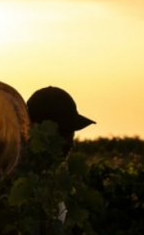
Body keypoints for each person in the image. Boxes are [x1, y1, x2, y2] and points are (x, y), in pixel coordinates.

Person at [26, 86, 96, 222]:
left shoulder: (51, 190)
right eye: (63, 132)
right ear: (38, 132)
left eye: (72, 133)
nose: (71, 143)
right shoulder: (9, 181)